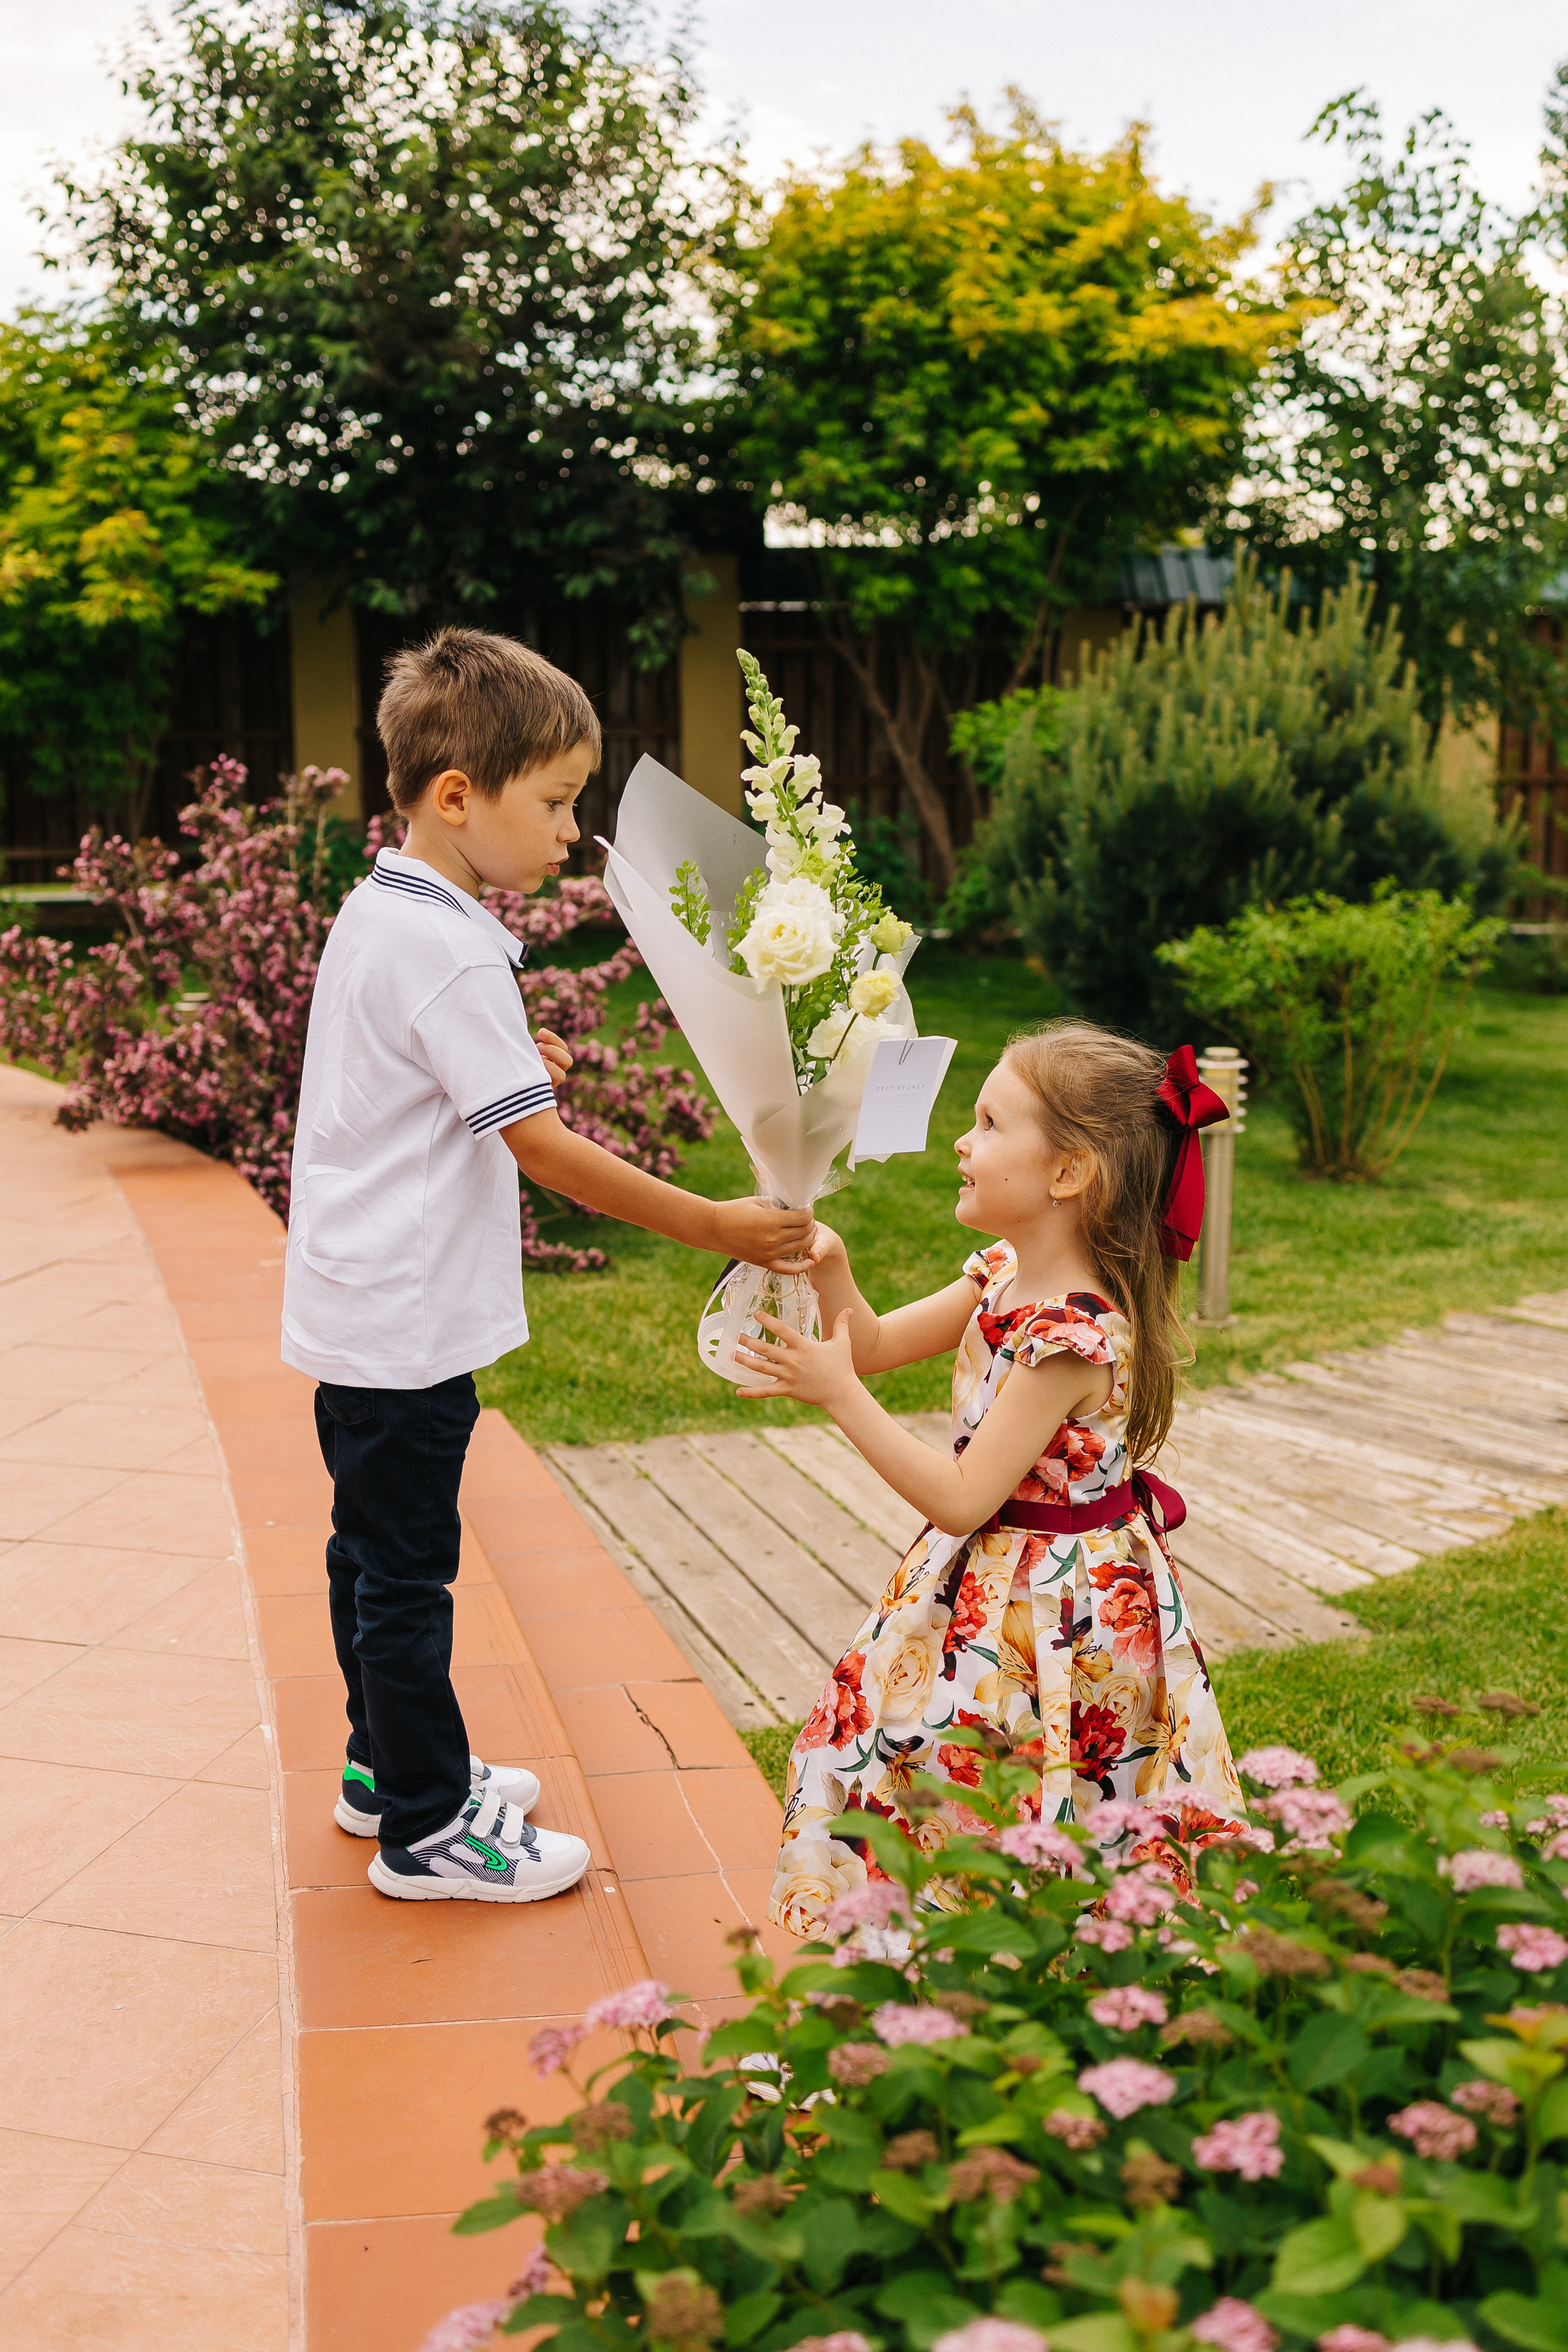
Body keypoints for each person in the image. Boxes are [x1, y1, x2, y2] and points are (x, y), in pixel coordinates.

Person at [282, 627, 813, 1905]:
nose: (573, 833)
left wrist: (519, 1073)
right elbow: (546, 1156)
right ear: (457, 796)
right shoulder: (453, 944)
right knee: (406, 1577)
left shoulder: (385, 905)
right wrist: (718, 1226)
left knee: (365, 1555)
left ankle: (378, 1765)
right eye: (558, 800)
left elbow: (414, 1073)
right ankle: (424, 1828)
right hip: (407, 1322)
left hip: (355, 1309)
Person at [739, 1020, 1250, 1939]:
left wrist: (837, 1395)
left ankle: (1033, 1964)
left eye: (987, 1123)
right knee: (931, 1759)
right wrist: (837, 1274)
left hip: (1054, 1610)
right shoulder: (1003, 1275)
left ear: (1068, 1174)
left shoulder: (1072, 1340)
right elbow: (879, 1344)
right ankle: (933, 1949)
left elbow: (962, 1494)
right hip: (980, 1580)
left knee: (1028, 1777)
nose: (963, 1144)